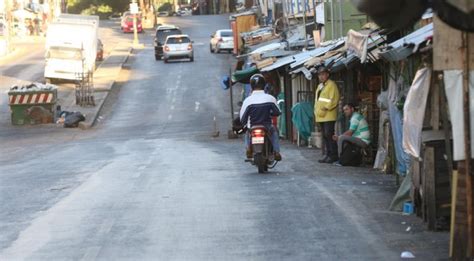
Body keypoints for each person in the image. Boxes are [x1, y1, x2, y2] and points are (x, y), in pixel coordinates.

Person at [240, 74, 282, 161]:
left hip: (253, 126)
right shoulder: (270, 98)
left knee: (248, 133)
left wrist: (244, 124)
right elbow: (277, 112)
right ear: (264, 84)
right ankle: (276, 151)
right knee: (274, 131)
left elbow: (243, 118)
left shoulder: (247, 100)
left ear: (251, 86)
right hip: (266, 126)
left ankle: (248, 148)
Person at [314, 66, 340, 163]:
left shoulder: (331, 85)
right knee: (325, 136)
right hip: (321, 116)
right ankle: (328, 154)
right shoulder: (320, 86)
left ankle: (333, 155)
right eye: (319, 75)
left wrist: (326, 108)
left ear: (327, 75)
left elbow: (334, 99)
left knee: (329, 135)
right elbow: (317, 101)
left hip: (328, 115)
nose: (321, 76)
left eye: (323, 74)